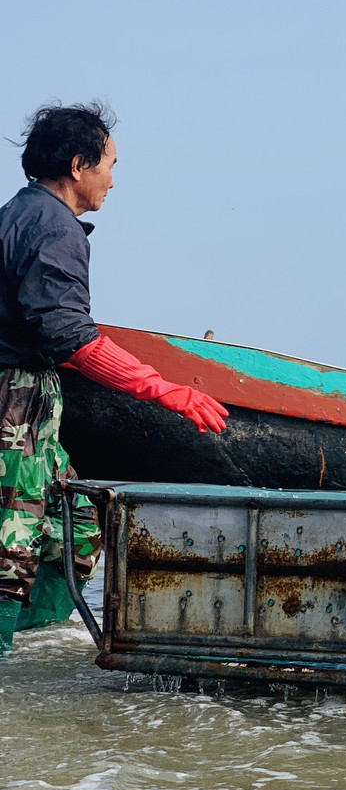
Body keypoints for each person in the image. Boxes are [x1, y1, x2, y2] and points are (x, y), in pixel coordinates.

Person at [0, 102, 229, 654]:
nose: (112, 179)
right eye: (110, 164)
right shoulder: (53, 227)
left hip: (34, 399)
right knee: (12, 542)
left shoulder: (18, 213)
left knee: (77, 525)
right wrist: (165, 388)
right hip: (15, 400)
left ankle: (37, 655)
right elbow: (70, 338)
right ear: (79, 165)